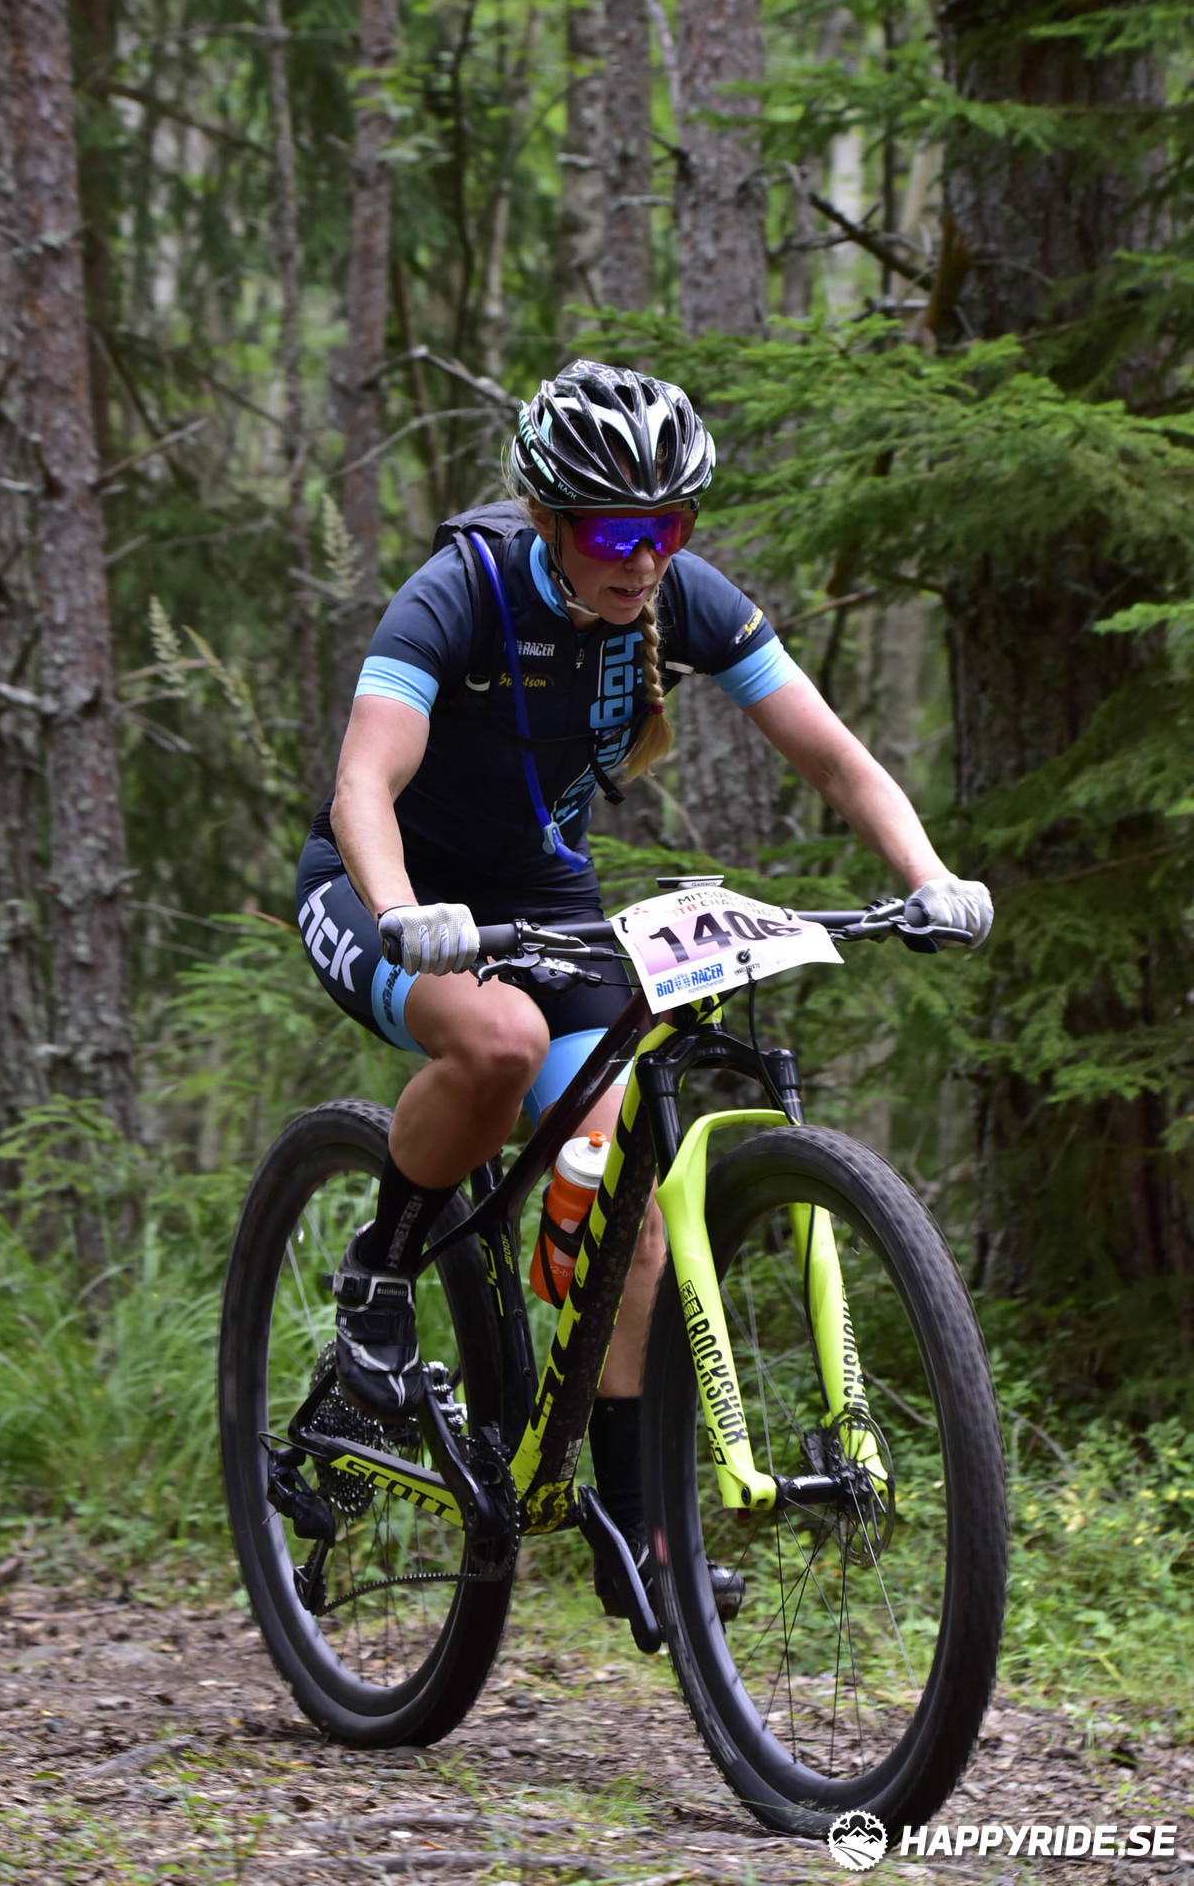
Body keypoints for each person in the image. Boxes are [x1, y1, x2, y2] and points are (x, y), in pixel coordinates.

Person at [296, 359, 991, 1615]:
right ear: (549, 517)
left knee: (632, 1196)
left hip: (541, 894)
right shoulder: (460, 591)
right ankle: (377, 1279)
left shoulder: (683, 596)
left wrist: (930, 877)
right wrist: (402, 913)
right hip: (377, 882)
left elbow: (835, 756)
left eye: (668, 525)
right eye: (617, 531)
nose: (647, 557)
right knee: (499, 1040)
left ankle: (634, 1530)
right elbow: (362, 784)